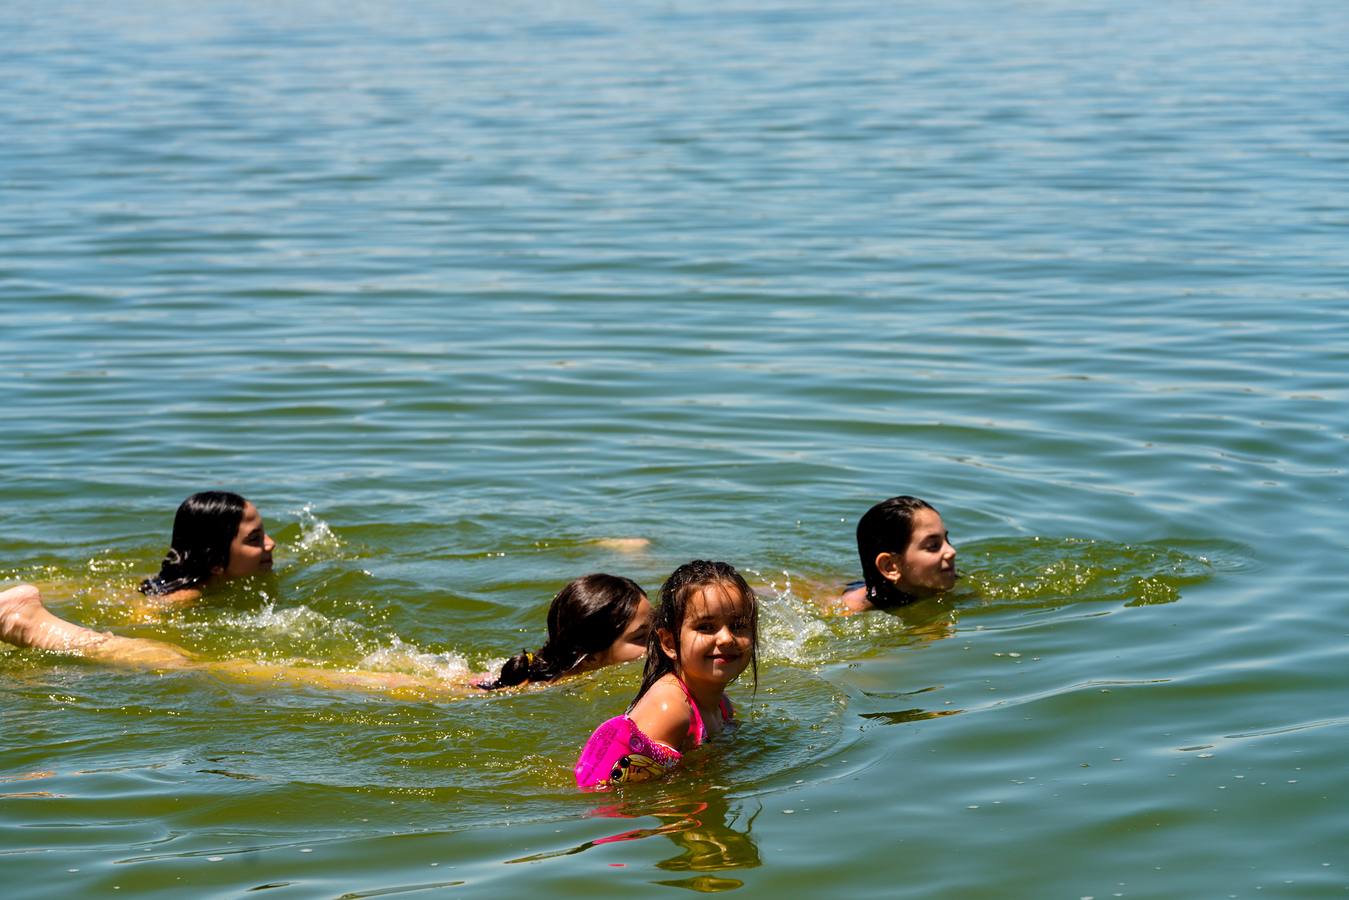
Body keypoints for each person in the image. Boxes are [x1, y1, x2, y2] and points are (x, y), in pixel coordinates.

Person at [0, 573, 653, 698]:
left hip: (409, 682)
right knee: (178, 666)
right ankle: (39, 628)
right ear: (592, 651)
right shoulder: (543, 690)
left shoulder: (547, 674)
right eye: (642, 638)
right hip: (374, 688)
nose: (656, 649)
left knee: (183, 663)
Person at [575, 560, 757, 790]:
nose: (726, 638)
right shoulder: (670, 709)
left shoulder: (722, 704)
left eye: (738, 625)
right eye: (706, 627)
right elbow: (635, 793)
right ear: (669, 643)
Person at [473, 574, 651, 689]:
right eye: (641, 636)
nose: (658, 640)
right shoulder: (546, 689)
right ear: (590, 657)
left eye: (656, 625)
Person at [138, 491, 276, 605]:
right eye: (254, 539)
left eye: (264, 533)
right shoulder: (184, 598)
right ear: (216, 561)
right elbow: (136, 623)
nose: (271, 543)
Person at [838, 495, 958, 612]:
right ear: (890, 566)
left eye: (946, 539)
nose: (952, 551)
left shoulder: (951, 582)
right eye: (933, 546)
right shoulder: (853, 611)